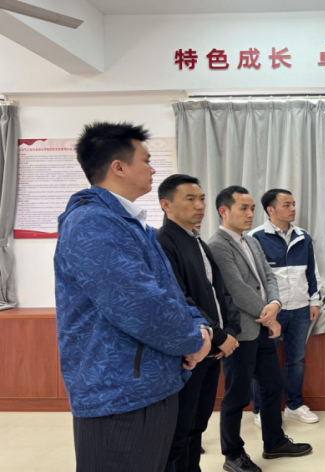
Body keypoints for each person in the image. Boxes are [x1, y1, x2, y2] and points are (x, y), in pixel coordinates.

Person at [54, 122, 212, 472]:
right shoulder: (92, 223)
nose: (153, 169)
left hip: (149, 382)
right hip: (119, 392)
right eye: (146, 160)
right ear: (119, 167)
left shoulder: (129, 223)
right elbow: (139, 305)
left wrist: (200, 327)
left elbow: (168, 291)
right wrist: (193, 340)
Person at [208, 186, 313, 472]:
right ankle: (232, 455)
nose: (250, 213)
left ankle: (274, 442)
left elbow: (268, 276)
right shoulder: (218, 244)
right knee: (237, 396)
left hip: (263, 328)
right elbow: (237, 289)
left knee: (273, 386)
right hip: (241, 333)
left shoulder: (251, 240)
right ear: (224, 211)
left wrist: (275, 304)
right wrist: (269, 317)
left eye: (252, 208)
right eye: (243, 208)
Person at [157, 174, 242, 472]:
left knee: (198, 424)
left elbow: (220, 291)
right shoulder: (163, 243)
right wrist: (218, 336)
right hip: (192, 350)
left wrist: (230, 331)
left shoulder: (197, 241)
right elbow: (179, 298)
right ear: (166, 205)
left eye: (202, 198)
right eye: (190, 199)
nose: (200, 205)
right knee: (180, 431)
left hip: (213, 347)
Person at [249, 189, 321, 426]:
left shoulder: (303, 236)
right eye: (286, 205)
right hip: (271, 311)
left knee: (296, 359)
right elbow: (253, 279)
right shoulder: (255, 238)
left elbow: (312, 271)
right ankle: (261, 409)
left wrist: (314, 301)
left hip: (300, 308)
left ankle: (294, 405)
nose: (293, 209)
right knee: (263, 361)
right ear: (270, 210)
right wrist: (262, 309)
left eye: (293, 204)